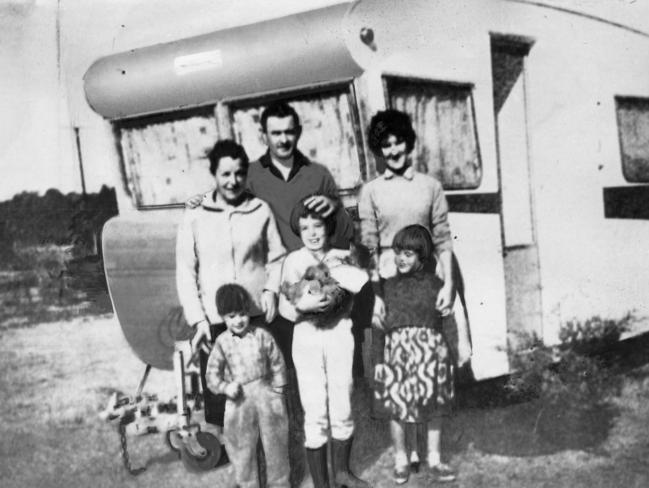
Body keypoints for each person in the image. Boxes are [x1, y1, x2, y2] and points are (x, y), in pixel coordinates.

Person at [358, 109, 472, 475]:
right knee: (396, 374)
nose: (393, 150)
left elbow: (442, 237)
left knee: (434, 367)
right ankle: (401, 456)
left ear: (409, 142)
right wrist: (375, 293)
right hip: (390, 286)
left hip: (430, 283)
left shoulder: (430, 185)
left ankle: (434, 456)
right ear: (379, 149)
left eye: (399, 141)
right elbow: (369, 246)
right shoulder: (371, 191)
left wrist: (450, 282)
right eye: (385, 144)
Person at [176, 139, 286, 435]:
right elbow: (185, 271)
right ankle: (241, 468)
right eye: (225, 174)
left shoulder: (260, 209)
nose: (232, 181)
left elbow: (277, 258)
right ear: (214, 174)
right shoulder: (195, 215)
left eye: (239, 173)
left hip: (255, 317)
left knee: (264, 397)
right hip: (215, 321)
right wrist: (198, 320)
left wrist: (271, 290)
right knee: (226, 402)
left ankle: (273, 464)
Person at [279, 199, 371, 488]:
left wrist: (343, 269)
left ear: (329, 227)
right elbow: (285, 306)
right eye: (304, 227)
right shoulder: (293, 260)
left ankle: (343, 473)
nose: (312, 233)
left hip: (339, 334)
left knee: (342, 403)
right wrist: (303, 305)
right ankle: (322, 483)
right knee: (315, 408)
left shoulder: (342, 255)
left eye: (317, 225)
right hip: (306, 337)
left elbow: (360, 283)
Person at [372, 225, 468, 484]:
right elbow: (379, 327)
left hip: (431, 355)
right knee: (397, 409)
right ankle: (401, 458)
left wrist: (455, 348)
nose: (401, 258)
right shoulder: (387, 288)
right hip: (398, 356)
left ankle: (434, 458)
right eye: (398, 252)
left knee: (435, 408)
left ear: (422, 257)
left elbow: (447, 319)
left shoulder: (436, 285)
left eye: (408, 254)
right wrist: (378, 360)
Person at [206, 284, 289, 488]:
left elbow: (277, 360)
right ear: (223, 317)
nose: (238, 320)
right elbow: (212, 375)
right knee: (241, 445)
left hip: (265, 393)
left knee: (275, 441)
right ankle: (247, 483)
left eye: (242, 314)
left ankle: (280, 483)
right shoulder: (222, 342)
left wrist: (278, 387)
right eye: (232, 316)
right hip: (238, 399)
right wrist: (225, 387)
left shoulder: (261, 335)